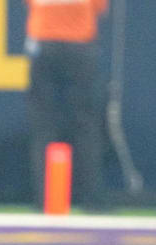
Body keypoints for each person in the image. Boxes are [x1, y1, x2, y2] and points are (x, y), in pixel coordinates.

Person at [24, 0, 109, 209]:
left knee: (44, 125)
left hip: (43, 44)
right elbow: (100, 8)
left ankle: (45, 199)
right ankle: (90, 198)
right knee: (85, 124)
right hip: (79, 45)